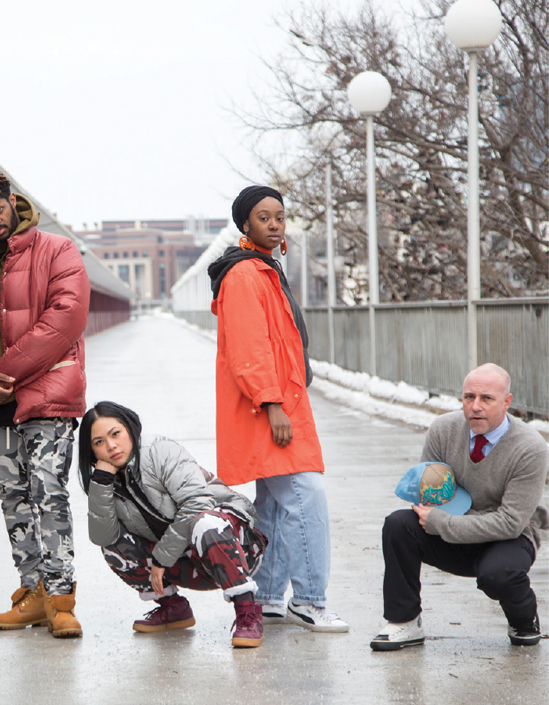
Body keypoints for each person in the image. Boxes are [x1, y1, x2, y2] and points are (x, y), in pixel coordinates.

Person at [0, 169, 89, 638]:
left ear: (13, 200)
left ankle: (62, 600)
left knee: (49, 491)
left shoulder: (57, 249)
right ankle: (31, 594)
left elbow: (65, 318)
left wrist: (3, 370)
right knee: (14, 498)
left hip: (47, 396)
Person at [207, 185, 348, 633]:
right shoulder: (246, 274)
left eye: (280, 217)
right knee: (307, 495)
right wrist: (271, 404)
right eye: (263, 217)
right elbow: (250, 347)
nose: (273, 224)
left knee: (272, 501)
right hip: (270, 406)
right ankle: (309, 599)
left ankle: (267, 596)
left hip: (277, 402)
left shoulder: (262, 269)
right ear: (245, 224)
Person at [371, 363, 548, 650]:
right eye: (469, 397)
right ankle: (404, 621)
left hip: (506, 540)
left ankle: (523, 619)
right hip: (455, 529)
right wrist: (447, 518)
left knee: (499, 575)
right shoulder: (443, 429)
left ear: (507, 401)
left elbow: (510, 523)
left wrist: (444, 522)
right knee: (398, 524)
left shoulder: (530, 447)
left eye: (487, 398)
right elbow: (426, 495)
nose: (475, 406)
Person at [81, 401, 269, 647]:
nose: (111, 446)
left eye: (115, 434)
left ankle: (247, 612)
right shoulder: (105, 480)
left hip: (238, 548)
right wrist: (101, 483)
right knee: (114, 546)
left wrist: (161, 557)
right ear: (92, 451)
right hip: (188, 562)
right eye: (99, 442)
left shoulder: (158, 451)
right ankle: (173, 608)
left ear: (129, 429)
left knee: (206, 523)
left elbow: (198, 503)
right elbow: (103, 537)